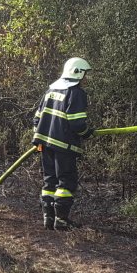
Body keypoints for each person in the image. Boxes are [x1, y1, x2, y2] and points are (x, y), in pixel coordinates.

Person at [33, 58, 95, 231]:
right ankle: (61, 220)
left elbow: (37, 117)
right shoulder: (76, 93)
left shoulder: (51, 90)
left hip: (44, 143)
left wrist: (39, 137)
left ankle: (48, 218)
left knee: (49, 180)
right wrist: (87, 133)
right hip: (63, 145)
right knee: (65, 181)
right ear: (77, 73)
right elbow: (76, 123)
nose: (86, 79)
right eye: (85, 74)